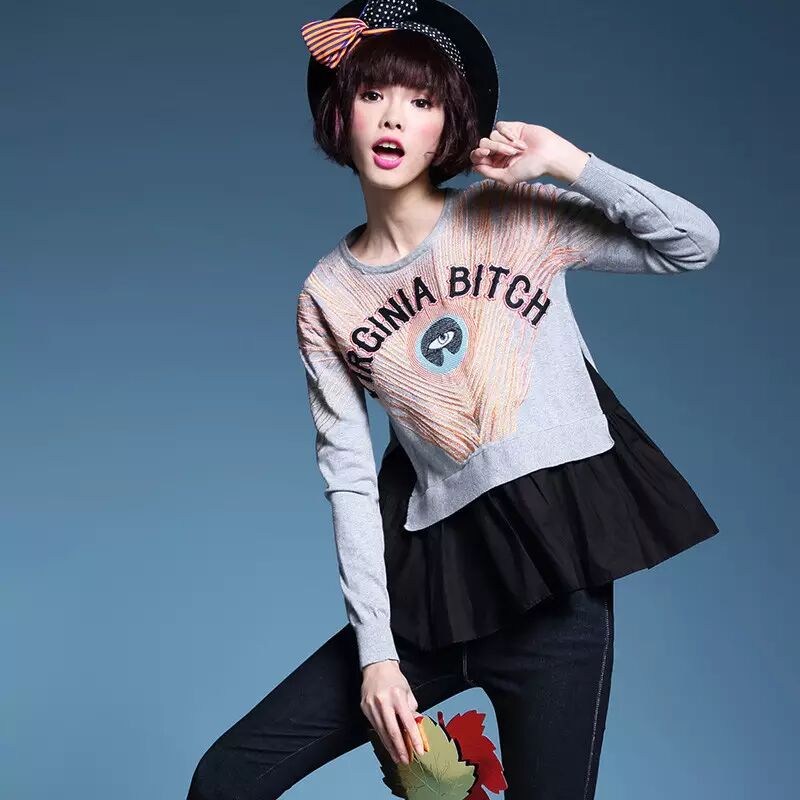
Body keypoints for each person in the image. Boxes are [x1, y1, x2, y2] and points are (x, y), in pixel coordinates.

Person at [186, 1, 721, 798]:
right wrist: (377, 657)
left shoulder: (511, 215)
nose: (393, 117)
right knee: (227, 777)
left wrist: (568, 162)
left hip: (557, 599)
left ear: (448, 125)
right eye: (372, 94)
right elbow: (349, 482)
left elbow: (692, 243)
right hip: (432, 600)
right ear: (341, 112)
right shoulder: (327, 294)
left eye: (422, 100)